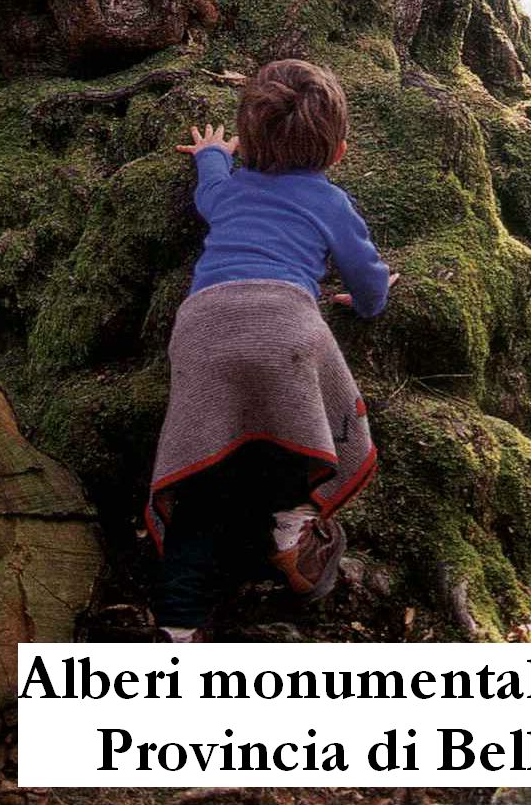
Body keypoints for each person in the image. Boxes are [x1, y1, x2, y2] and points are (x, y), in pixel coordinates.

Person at [145, 58, 395, 642]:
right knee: (296, 437)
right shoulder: (332, 202)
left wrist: (212, 152)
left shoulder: (230, 191)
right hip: (284, 325)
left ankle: (177, 628)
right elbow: (368, 281)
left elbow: (208, 187)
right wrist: (366, 306)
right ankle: (292, 524)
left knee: (202, 489)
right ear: (337, 154)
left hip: (204, 328)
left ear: (249, 145)